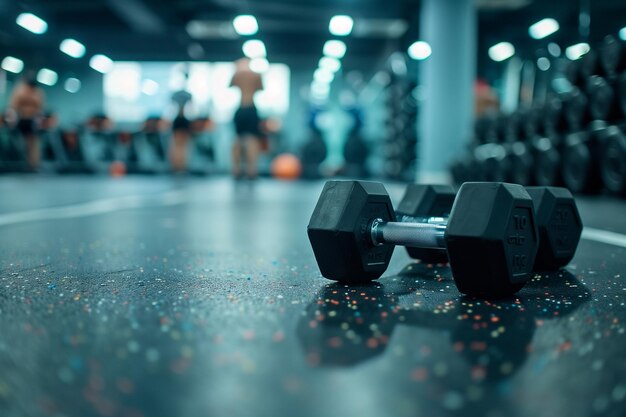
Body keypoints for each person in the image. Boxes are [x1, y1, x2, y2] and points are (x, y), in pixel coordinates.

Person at [230, 58, 264, 179]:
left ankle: (237, 170)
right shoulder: (256, 75)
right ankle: (252, 170)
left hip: (241, 108)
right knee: (252, 140)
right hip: (251, 108)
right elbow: (261, 88)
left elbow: (230, 85)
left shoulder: (237, 75)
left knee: (238, 139)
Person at [9, 72, 45, 169]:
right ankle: (20, 163)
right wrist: (12, 119)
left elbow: (40, 107)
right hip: (21, 119)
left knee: (33, 142)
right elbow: (13, 105)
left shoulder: (38, 92)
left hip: (32, 120)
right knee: (20, 142)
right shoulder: (19, 90)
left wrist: (39, 121)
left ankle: (33, 164)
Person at [169, 71, 193, 172]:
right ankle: (180, 166)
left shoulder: (175, 94)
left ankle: (177, 166)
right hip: (183, 119)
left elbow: (170, 107)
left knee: (177, 145)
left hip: (178, 119)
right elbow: (192, 108)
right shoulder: (188, 95)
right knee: (182, 146)